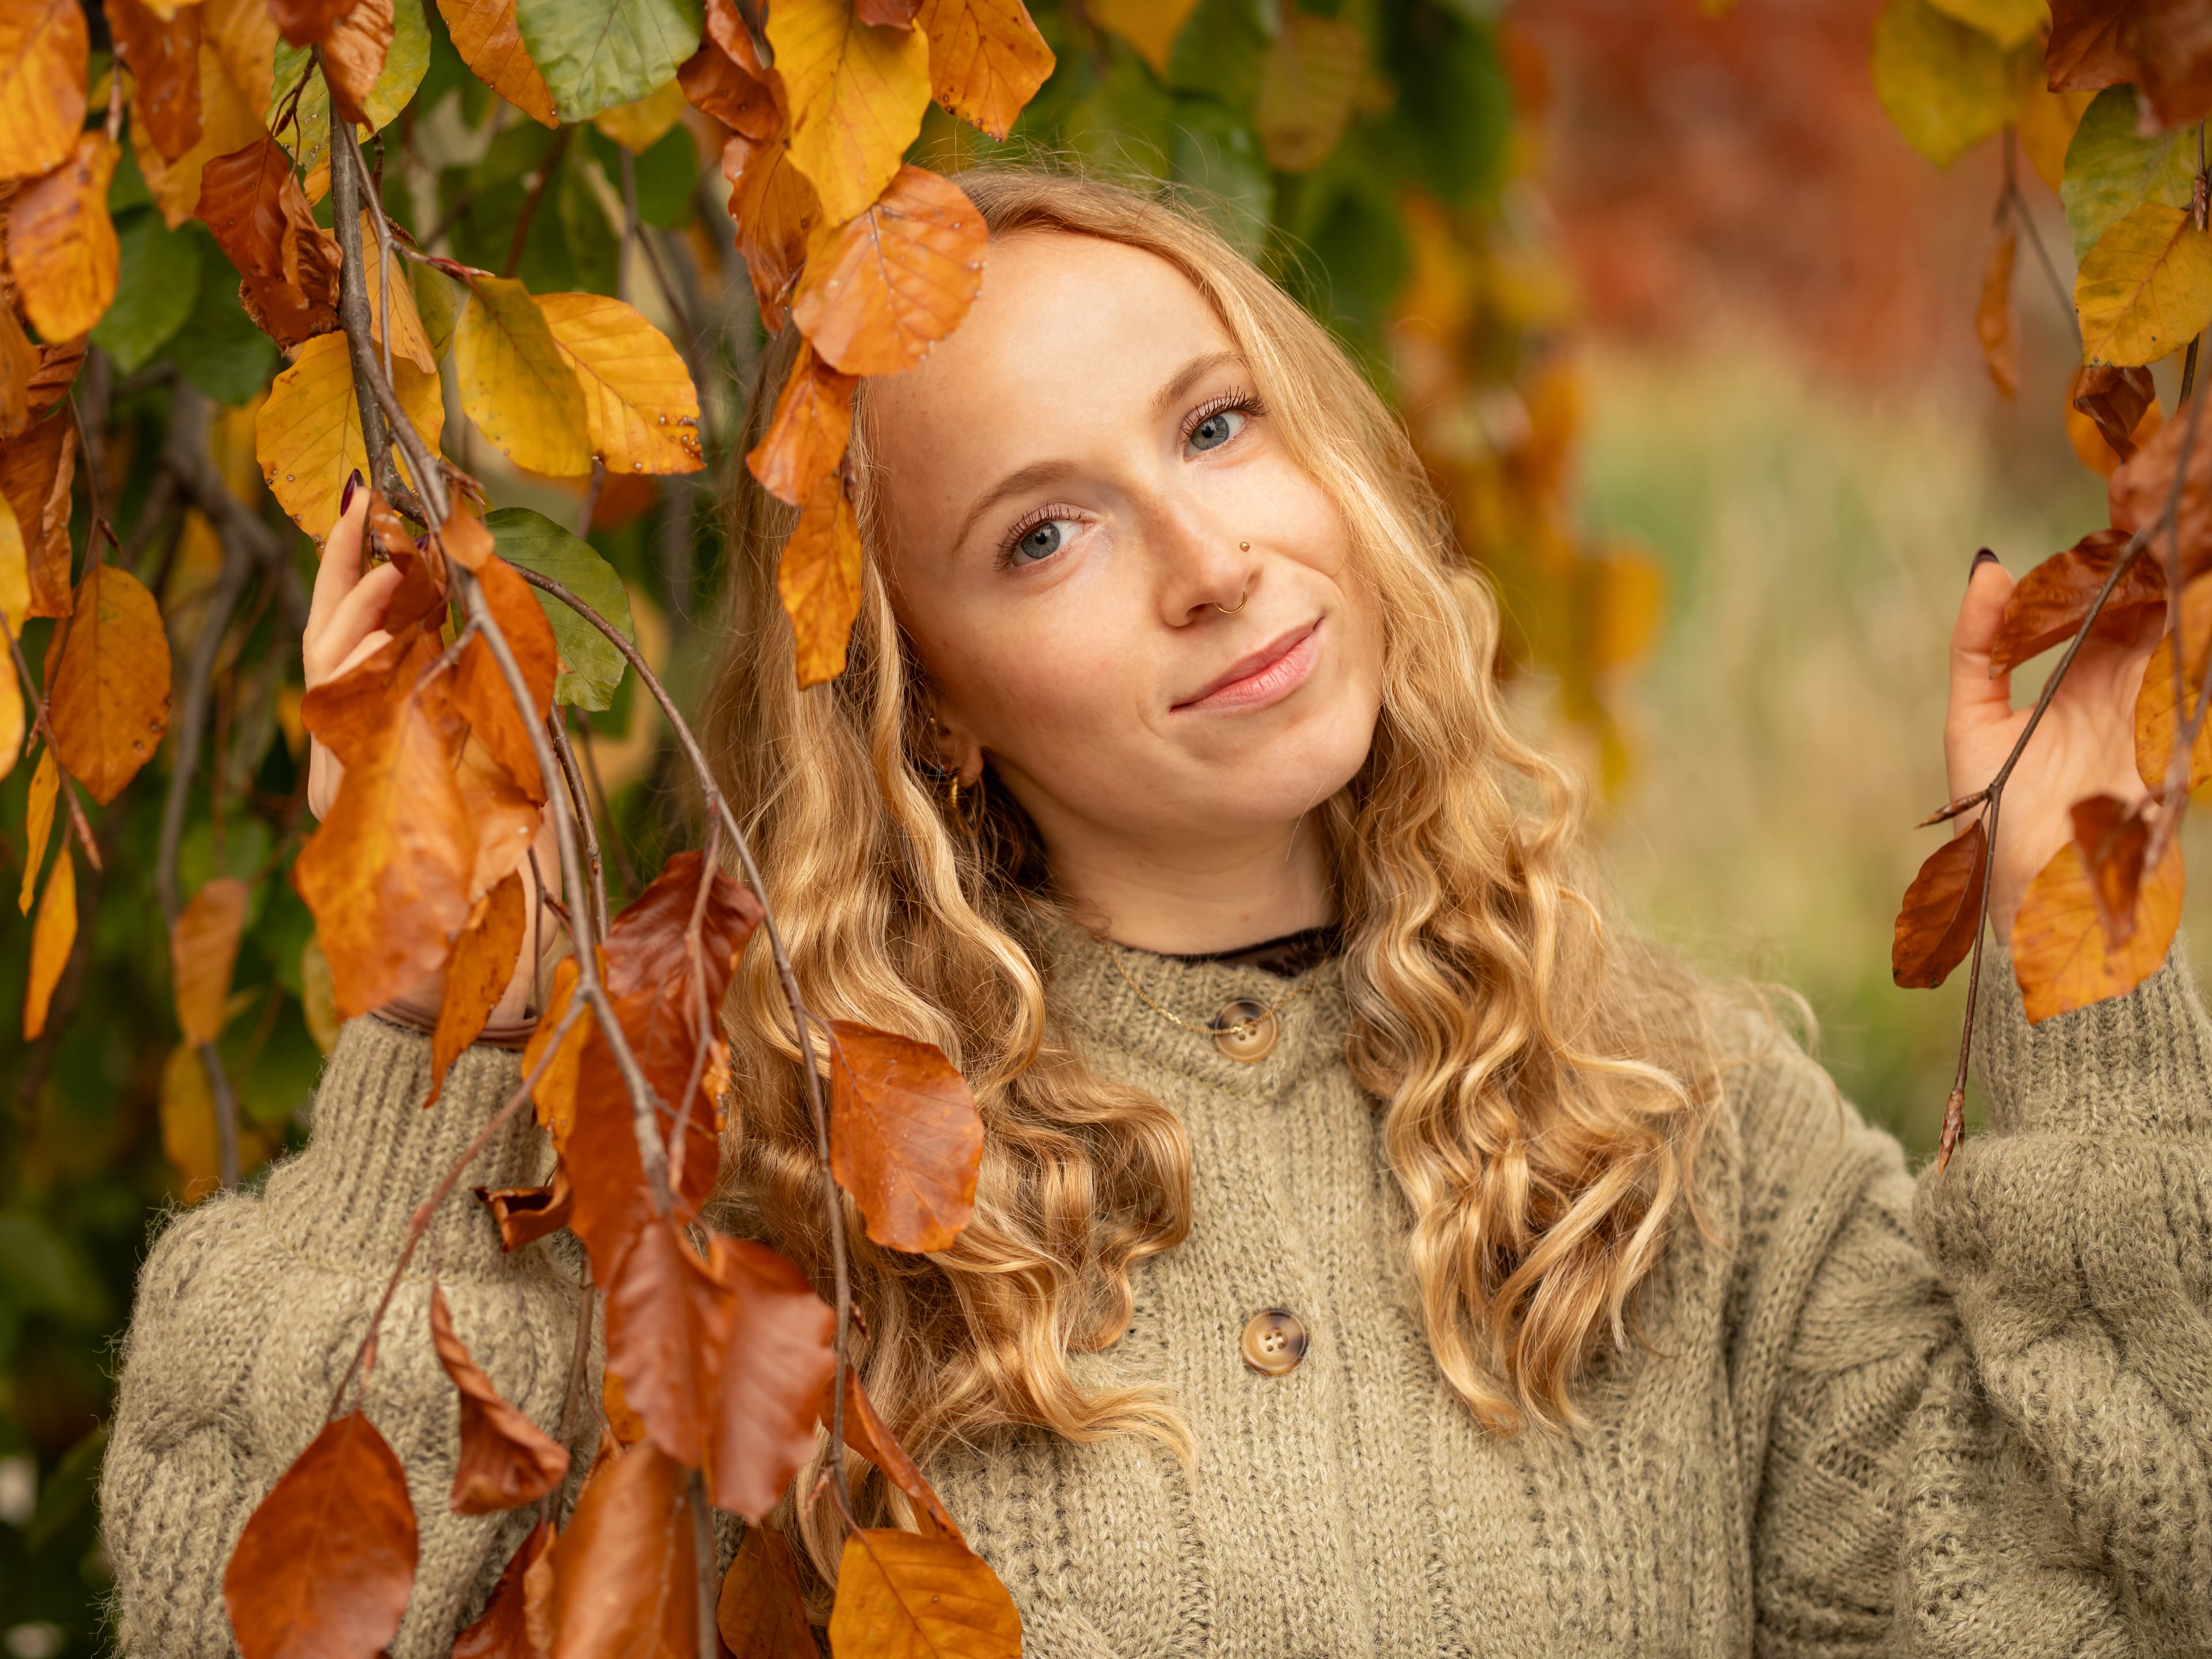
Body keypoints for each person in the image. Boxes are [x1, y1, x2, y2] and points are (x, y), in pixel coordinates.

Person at [101, 169, 2210, 1657]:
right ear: (925, 703)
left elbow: (2091, 1599)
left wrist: (2085, 950)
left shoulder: (1671, 1130)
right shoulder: (768, 1199)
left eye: (1217, 426)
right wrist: (437, 1032)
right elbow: (249, 1622)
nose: (1212, 561)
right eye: (1045, 537)